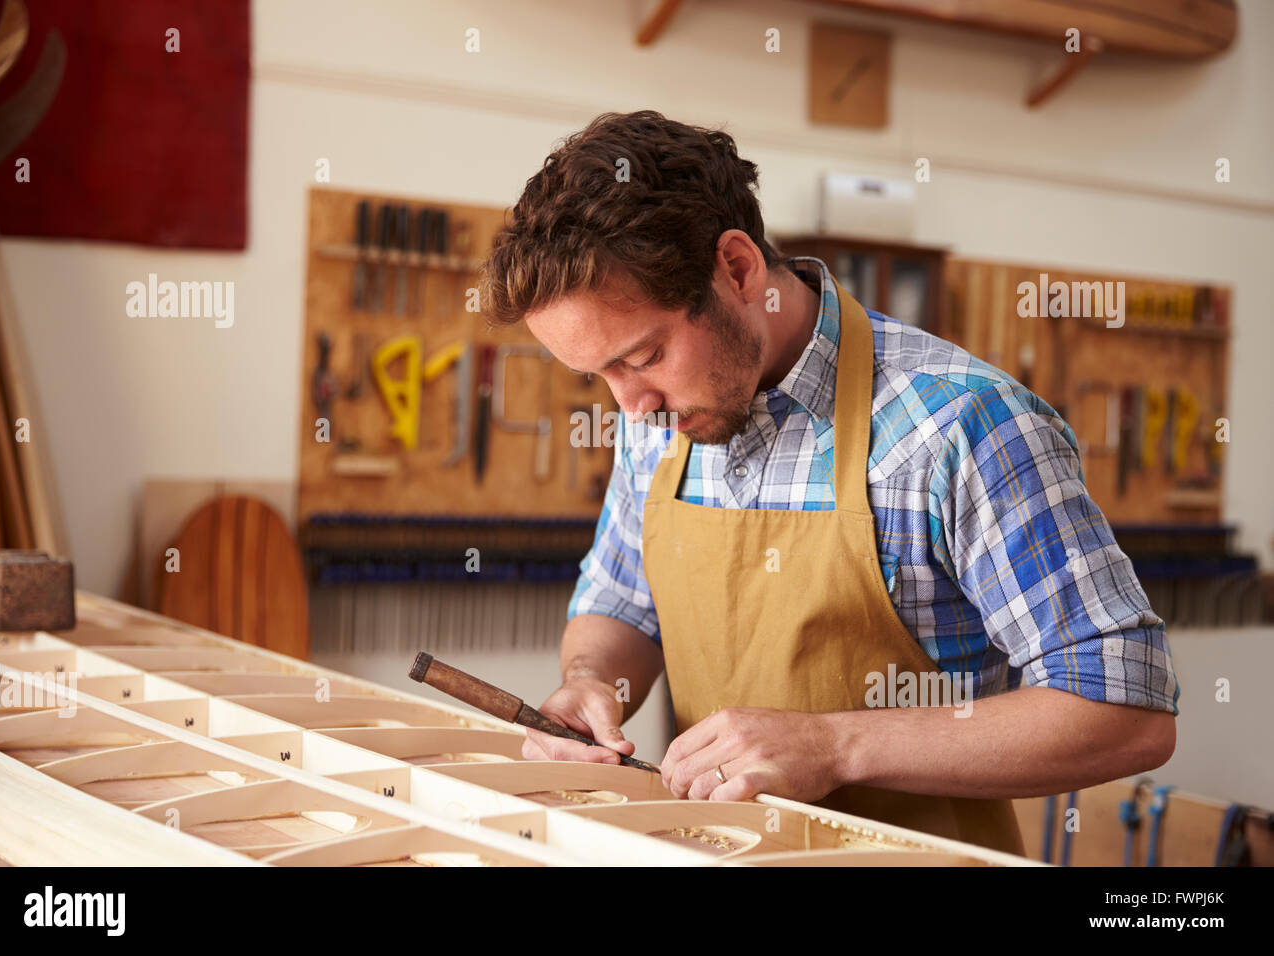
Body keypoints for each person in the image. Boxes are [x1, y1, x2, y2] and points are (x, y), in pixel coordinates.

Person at [477, 110, 1177, 854]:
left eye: (644, 355)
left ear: (738, 269)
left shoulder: (960, 426)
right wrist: (592, 682)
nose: (630, 405)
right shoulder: (660, 422)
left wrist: (836, 746)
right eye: (600, 374)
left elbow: (1124, 709)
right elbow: (622, 603)